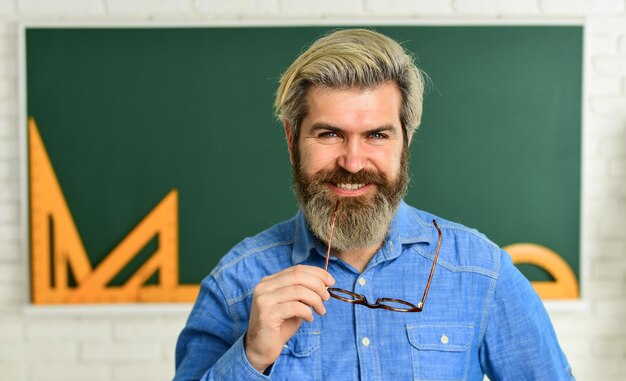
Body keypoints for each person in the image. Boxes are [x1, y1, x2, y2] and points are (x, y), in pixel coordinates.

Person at [174, 28, 574, 380]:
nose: (352, 162)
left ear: (406, 142)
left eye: (377, 136)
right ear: (291, 140)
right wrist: (252, 356)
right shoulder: (235, 284)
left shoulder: (481, 272)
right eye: (329, 134)